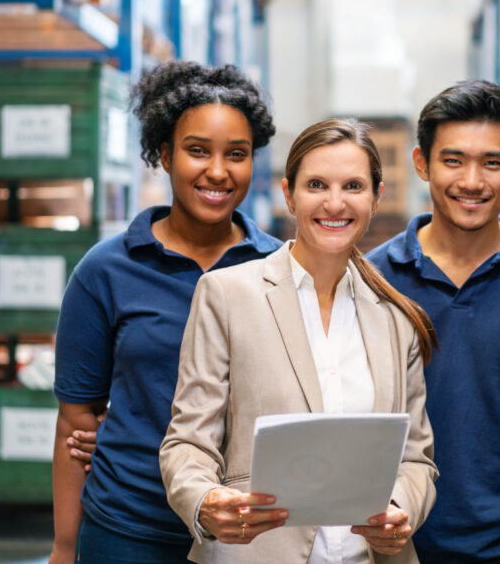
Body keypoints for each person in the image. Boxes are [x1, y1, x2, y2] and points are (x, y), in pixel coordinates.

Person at [158, 118, 438, 564]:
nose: (334, 202)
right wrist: (206, 502)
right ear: (289, 195)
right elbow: (188, 442)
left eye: (352, 186)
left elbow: (416, 459)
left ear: (375, 197)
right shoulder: (227, 295)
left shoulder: (395, 320)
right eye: (316, 185)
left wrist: (400, 509)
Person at [50, 60, 281, 564]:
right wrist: (65, 549)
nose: (218, 171)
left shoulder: (280, 269)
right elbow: (76, 421)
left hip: (250, 531)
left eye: (236, 155)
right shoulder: (106, 271)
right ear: (164, 154)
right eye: (198, 151)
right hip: (129, 527)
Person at [366, 80, 500, 564]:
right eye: (453, 160)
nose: (472, 181)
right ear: (422, 163)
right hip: (387, 547)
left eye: (492, 162)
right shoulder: (373, 279)